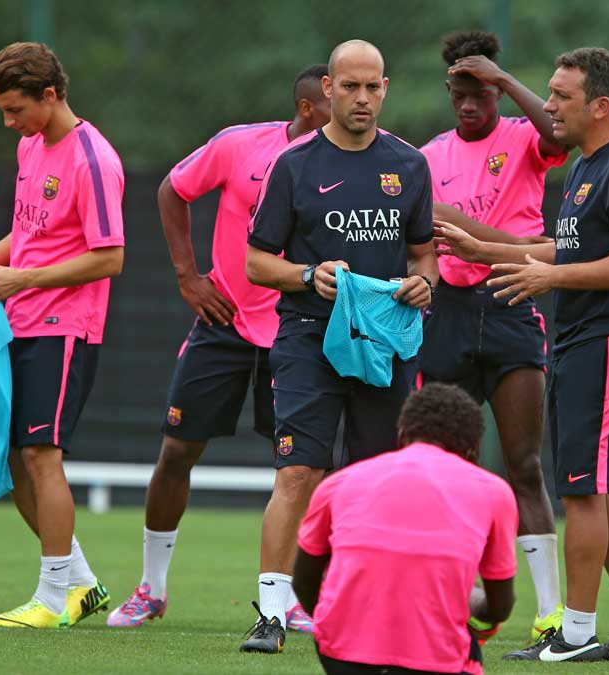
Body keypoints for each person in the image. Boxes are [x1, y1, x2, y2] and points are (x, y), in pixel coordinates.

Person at [438, 46, 609, 663]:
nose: (549, 106)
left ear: (600, 105)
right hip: (582, 340)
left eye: (561, 96)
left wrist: (552, 279)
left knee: (584, 492)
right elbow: (560, 250)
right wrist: (487, 252)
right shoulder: (589, 166)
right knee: (599, 489)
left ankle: (575, 632)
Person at [106, 64, 330, 631]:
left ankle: (293, 598)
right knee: (177, 452)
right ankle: (151, 588)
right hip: (224, 323)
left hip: (299, 330)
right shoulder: (239, 146)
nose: (356, 108)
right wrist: (188, 276)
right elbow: (172, 190)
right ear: (308, 108)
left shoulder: (355, 161)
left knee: (302, 470)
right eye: (341, 96)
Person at [242, 39, 437, 654]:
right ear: (327, 88)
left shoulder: (409, 165)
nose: (362, 98)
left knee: (377, 479)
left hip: (384, 341)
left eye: (372, 87)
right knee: (298, 470)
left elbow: (424, 253)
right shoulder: (294, 164)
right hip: (309, 335)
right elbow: (255, 262)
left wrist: (425, 283)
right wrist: (308, 275)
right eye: (350, 86)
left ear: (386, 89)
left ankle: (368, 608)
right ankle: (272, 612)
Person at [0, 41, 124, 629]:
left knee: (40, 455)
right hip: (18, 322)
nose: (8, 123)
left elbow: (110, 257)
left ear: (49, 95)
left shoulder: (94, 160)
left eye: (15, 109)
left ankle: (51, 600)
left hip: (65, 328)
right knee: (16, 463)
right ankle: (83, 584)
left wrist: (22, 278)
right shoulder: (31, 146)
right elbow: (28, 238)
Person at [417, 29, 568, 640]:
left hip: (511, 302)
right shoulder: (428, 156)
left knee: (524, 464)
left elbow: (562, 136)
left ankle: (550, 614)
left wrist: (504, 77)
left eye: (479, 92)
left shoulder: (524, 136)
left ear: (497, 92)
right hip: (448, 311)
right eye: (458, 93)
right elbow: (427, 226)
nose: (468, 104)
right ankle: (451, 600)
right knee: (446, 468)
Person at [292, 383, 516, 675]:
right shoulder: (494, 492)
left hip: (341, 657)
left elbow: (303, 582)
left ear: (401, 436)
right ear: (473, 450)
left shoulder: (337, 483)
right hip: (433, 663)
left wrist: (335, 625)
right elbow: (500, 607)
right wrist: (470, 602)